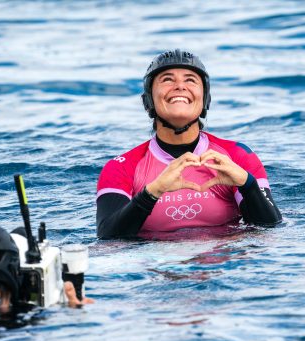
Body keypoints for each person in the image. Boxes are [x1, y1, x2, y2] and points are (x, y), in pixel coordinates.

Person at [96, 49, 282, 238]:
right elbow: (107, 238)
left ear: (205, 100)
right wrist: (152, 192)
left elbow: (269, 230)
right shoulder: (121, 167)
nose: (180, 86)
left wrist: (247, 184)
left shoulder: (237, 156)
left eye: (190, 80)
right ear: (149, 101)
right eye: (167, 79)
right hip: (155, 263)